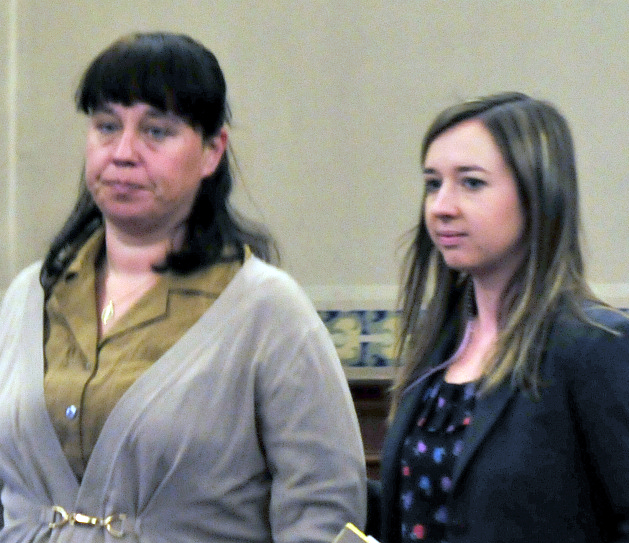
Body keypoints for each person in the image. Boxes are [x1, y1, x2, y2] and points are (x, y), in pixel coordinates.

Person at [0, 32, 366, 542]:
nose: (124, 152)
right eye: (107, 126)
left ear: (212, 151)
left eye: (156, 131)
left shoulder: (265, 309)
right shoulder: (28, 296)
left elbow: (323, 511)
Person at [377, 92, 629, 543]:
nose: (441, 207)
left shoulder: (595, 347)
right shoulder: (439, 347)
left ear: (538, 194)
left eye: (471, 183)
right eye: (433, 183)